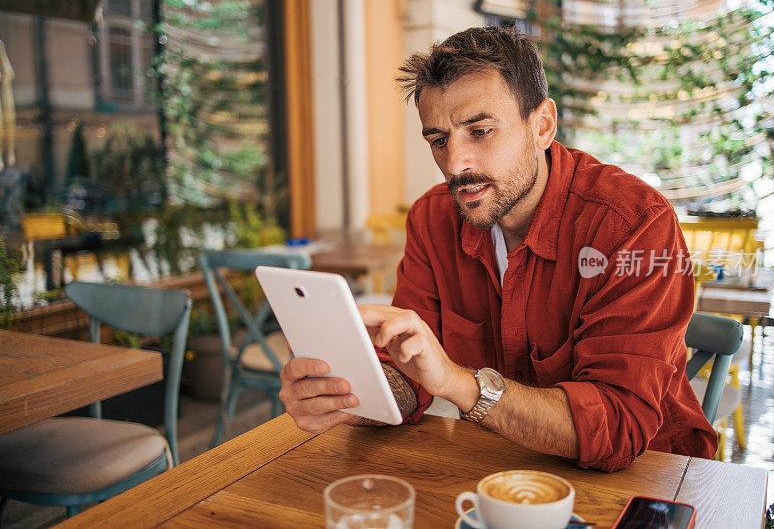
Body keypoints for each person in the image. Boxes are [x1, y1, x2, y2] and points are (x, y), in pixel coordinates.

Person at [279, 26, 717, 472]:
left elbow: (618, 426)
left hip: (652, 478)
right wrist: (356, 396)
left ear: (542, 125)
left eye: (481, 131)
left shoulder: (632, 223)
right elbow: (409, 371)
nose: (455, 162)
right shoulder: (433, 220)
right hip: (506, 466)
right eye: (438, 140)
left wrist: (460, 383)